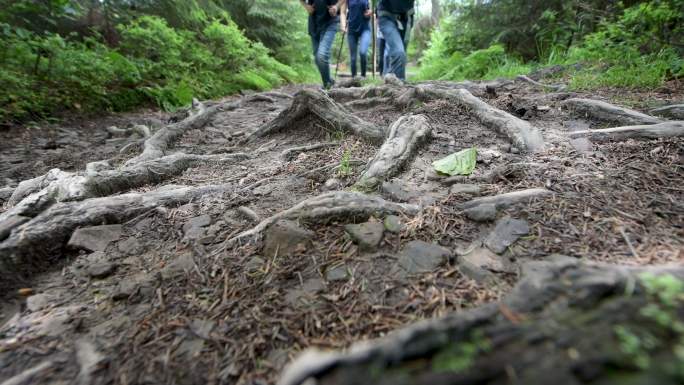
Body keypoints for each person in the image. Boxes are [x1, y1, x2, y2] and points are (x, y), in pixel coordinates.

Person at [302, 0, 347, 89]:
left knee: (321, 55)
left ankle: (327, 86)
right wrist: (306, 6)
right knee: (317, 58)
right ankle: (328, 82)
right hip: (314, 24)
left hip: (331, 22)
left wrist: (336, 6)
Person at [377, 0, 415, 81]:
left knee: (401, 54)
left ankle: (389, 83)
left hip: (406, 17)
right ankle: (398, 87)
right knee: (399, 52)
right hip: (386, 16)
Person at [345, 0, 371, 78]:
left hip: (365, 29)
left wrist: (370, 12)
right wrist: (343, 25)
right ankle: (354, 78)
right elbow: (344, 11)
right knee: (353, 58)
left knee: (363, 52)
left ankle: (363, 76)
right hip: (352, 30)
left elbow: (372, 8)